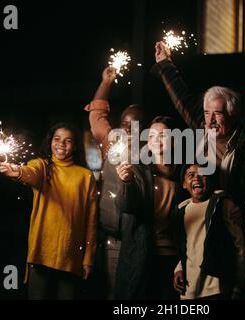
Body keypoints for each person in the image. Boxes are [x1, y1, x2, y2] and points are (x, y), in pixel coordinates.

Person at [151, 41, 245, 212]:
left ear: (231, 114)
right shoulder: (202, 128)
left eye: (217, 113)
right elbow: (182, 98)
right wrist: (165, 63)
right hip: (201, 212)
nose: (210, 120)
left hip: (233, 217)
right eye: (207, 113)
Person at [0, 122, 98, 299]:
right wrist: (19, 171)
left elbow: (91, 221)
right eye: (57, 139)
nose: (61, 144)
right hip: (41, 253)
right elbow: (31, 172)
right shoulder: (42, 166)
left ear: (75, 146)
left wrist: (88, 258)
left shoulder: (85, 176)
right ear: (50, 141)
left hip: (71, 256)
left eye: (68, 141)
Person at [85, 66, 147, 299]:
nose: (130, 131)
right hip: (111, 241)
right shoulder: (112, 144)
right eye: (125, 125)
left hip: (138, 243)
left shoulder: (151, 154)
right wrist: (106, 82)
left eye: (136, 126)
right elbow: (96, 114)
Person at [115, 115, 181, 300]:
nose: (156, 140)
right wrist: (126, 182)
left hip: (174, 257)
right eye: (152, 135)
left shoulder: (184, 173)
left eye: (163, 135)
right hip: (142, 254)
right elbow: (125, 206)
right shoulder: (138, 170)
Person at [170, 164, 245, 300]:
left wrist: (239, 285)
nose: (197, 178)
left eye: (202, 174)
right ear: (183, 184)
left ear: (210, 180)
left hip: (215, 288)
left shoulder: (221, 203)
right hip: (189, 288)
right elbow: (187, 247)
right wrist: (179, 269)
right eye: (191, 175)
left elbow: (238, 246)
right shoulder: (181, 211)